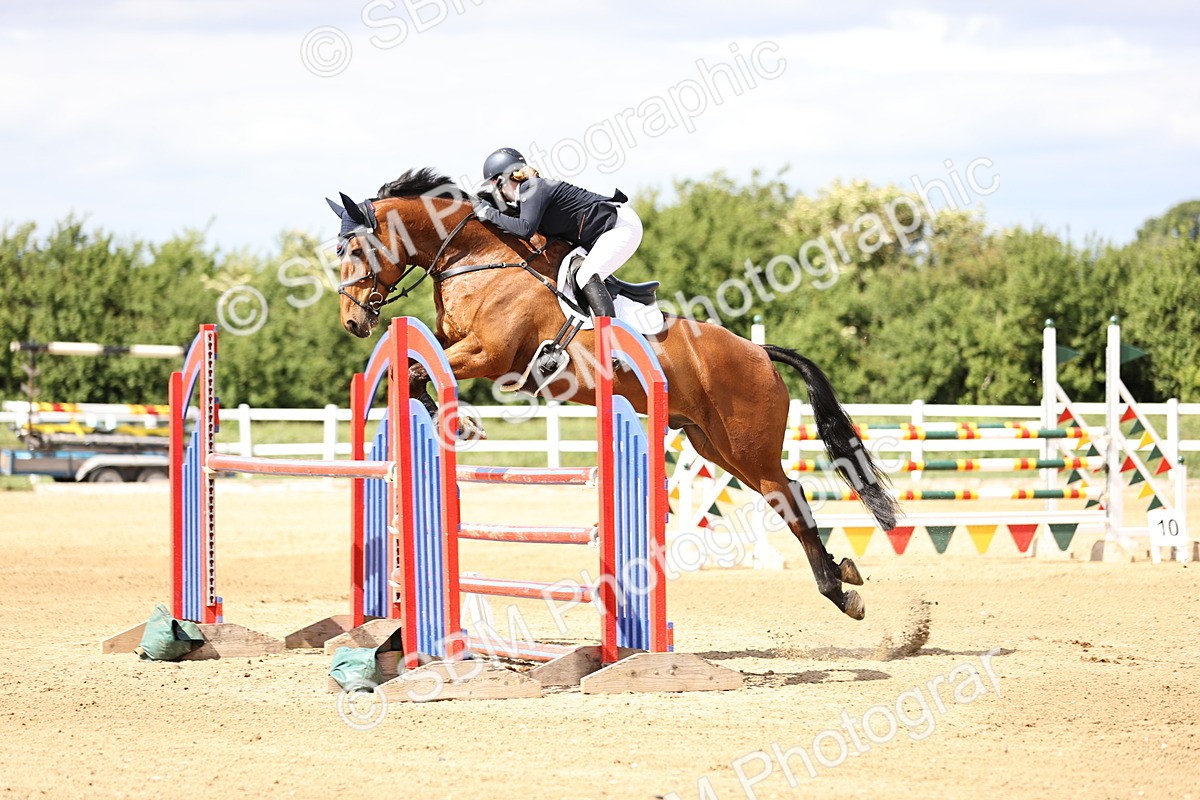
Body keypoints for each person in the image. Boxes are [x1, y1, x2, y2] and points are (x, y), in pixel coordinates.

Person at [471, 147, 643, 321]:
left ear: (501, 180)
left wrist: (489, 212)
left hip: (620, 227)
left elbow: (524, 229)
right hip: (603, 233)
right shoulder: (528, 194)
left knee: (585, 275)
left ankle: (608, 339)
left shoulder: (532, 187)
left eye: (493, 187)